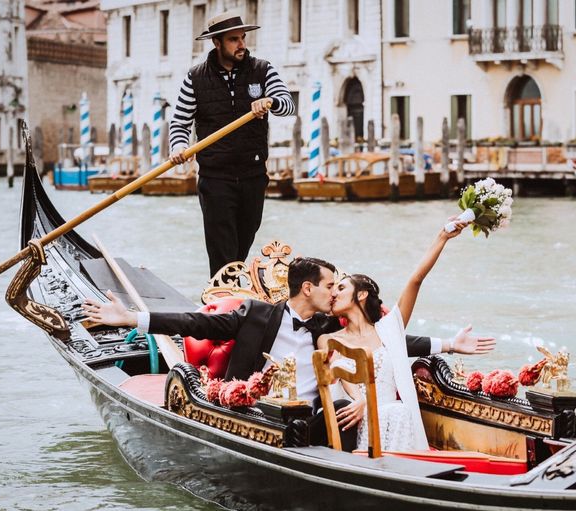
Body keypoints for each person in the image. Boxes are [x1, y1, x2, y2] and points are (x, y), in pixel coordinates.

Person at [81, 256, 495, 449]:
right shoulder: (255, 315)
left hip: (311, 422)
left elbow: (380, 339)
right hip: (255, 418)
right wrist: (132, 318)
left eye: (339, 287)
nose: (335, 293)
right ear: (308, 288)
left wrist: (447, 345)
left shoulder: (327, 324)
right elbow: (196, 324)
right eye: (330, 285)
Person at [317, 220, 469, 452]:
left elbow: (415, 280)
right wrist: (361, 401)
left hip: (391, 419)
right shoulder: (328, 339)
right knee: (391, 411)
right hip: (351, 416)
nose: (333, 294)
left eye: (341, 288)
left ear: (362, 294)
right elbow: (339, 373)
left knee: (397, 411)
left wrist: (442, 237)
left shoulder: (389, 329)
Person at [168, 11, 296, 276]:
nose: (242, 45)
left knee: (241, 246)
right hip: (216, 178)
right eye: (233, 40)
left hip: (253, 174)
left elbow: (288, 105)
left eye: (243, 38)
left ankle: (228, 299)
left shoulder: (262, 70)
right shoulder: (195, 78)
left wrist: (270, 101)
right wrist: (178, 147)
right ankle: (221, 303)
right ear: (217, 43)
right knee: (222, 251)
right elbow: (180, 123)